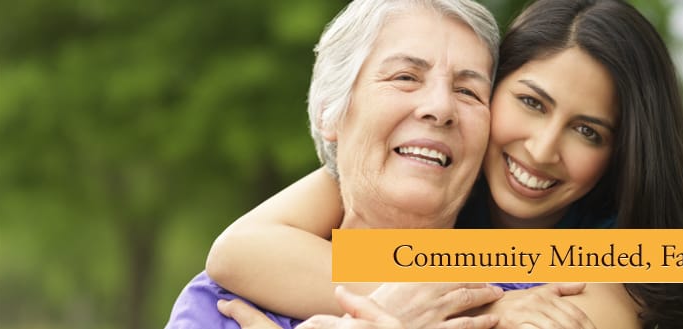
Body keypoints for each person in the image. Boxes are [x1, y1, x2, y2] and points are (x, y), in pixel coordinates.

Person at [209, 0, 683, 328]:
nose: (542, 148)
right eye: (531, 103)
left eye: (587, 132)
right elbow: (239, 252)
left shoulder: (612, 273)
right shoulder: (419, 179)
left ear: (621, 156)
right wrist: (477, 310)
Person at [165, 0, 509, 328]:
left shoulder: (535, 292)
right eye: (405, 77)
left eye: (468, 92)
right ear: (330, 112)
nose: (441, 107)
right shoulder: (221, 301)